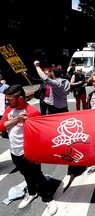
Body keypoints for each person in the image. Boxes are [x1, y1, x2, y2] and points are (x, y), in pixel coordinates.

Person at [0, 85, 57, 215]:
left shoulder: (32, 112)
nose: (7, 102)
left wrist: (37, 155)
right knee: (25, 174)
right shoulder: (9, 109)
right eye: (6, 99)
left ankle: (48, 198)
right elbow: (1, 126)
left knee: (37, 176)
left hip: (29, 153)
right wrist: (16, 119)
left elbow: (40, 135)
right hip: (14, 151)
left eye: (10, 99)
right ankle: (31, 193)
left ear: (20, 98)